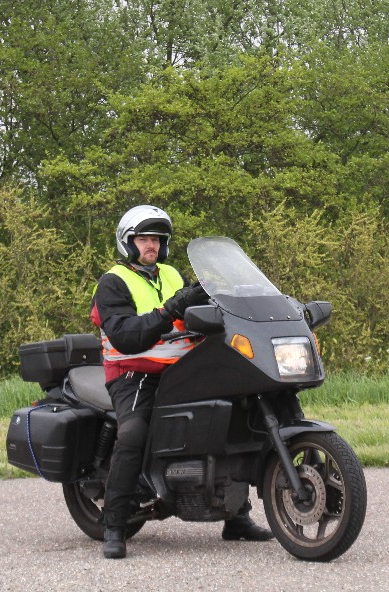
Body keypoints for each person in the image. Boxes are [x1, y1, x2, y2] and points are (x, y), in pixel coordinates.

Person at [90, 204, 274, 559]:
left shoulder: (173, 275)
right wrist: (170, 309)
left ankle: (237, 517)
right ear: (127, 242)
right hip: (134, 373)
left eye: (157, 239)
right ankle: (114, 525)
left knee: (230, 415)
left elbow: (202, 308)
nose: (152, 245)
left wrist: (227, 297)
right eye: (144, 239)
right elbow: (126, 336)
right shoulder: (113, 282)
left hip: (182, 369)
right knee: (133, 434)